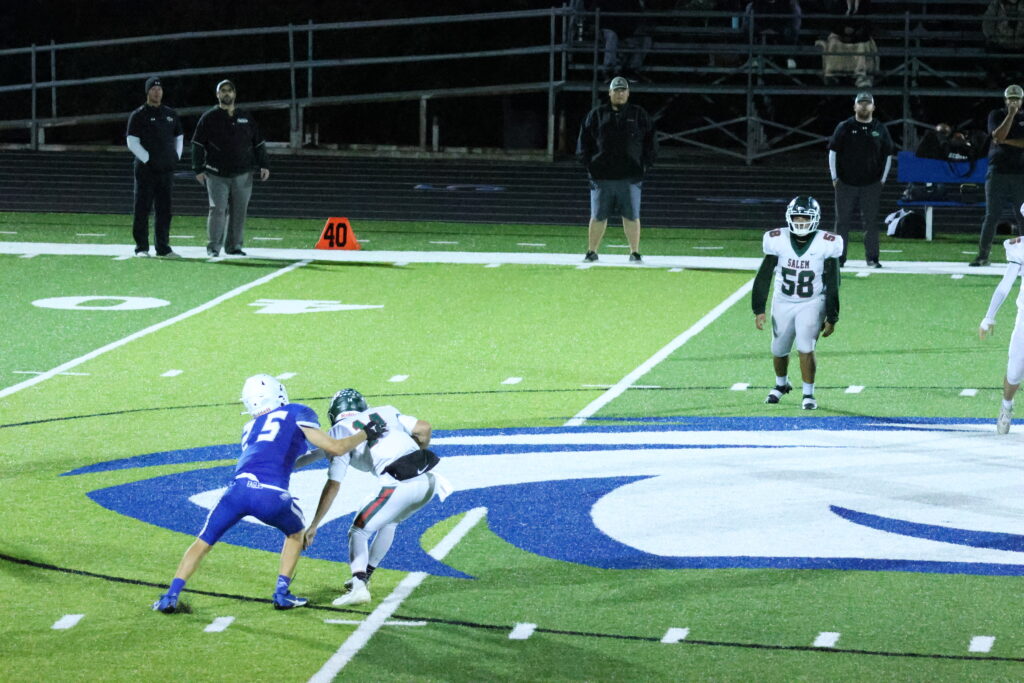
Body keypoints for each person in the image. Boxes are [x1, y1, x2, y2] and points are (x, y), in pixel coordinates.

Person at [151, 375, 383, 614]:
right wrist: (366, 432)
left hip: (237, 490)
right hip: (271, 495)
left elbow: (277, 459)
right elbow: (337, 447)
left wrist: (317, 454)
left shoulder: (249, 428)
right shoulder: (297, 411)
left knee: (203, 541)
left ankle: (170, 596)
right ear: (277, 393)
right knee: (296, 533)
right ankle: (282, 593)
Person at [302, 388, 451, 607]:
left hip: (398, 484)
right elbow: (423, 428)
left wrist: (314, 524)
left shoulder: (338, 431)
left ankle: (359, 587)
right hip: (430, 481)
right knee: (389, 522)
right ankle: (365, 576)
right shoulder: (384, 412)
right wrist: (414, 452)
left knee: (358, 531)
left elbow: (333, 484)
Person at [752, 196, 842, 410]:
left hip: (812, 301)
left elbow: (833, 282)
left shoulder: (827, 242)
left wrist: (832, 316)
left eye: (805, 218)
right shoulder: (777, 239)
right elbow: (764, 274)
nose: (800, 222)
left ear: (815, 218)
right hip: (782, 301)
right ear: (789, 218)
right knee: (778, 348)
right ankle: (781, 384)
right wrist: (758, 308)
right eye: (797, 217)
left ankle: (808, 394)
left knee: (805, 347)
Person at [576, 76, 657, 264]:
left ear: (628, 93)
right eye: (616, 90)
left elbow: (651, 141)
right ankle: (591, 251)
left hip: (630, 175)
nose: (620, 94)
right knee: (598, 215)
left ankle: (634, 252)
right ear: (610, 92)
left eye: (623, 90)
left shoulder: (639, 114)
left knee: (631, 215)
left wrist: (645, 164)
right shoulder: (596, 115)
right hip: (601, 175)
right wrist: (589, 164)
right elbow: (584, 141)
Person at [191, 79, 270, 258]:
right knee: (217, 210)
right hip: (216, 173)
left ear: (234, 94)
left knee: (239, 211)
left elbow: (258, 142)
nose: (226, 93)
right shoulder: (209, 117)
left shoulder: (245, 117)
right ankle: (213, 247)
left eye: (229, 90)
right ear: (217, 94)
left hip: (243, 173)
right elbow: (197, 144)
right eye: (223, 90)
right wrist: (198, 168)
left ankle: (234, 246)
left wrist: (264, 164)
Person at [828, 92, 893, 268]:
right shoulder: (844, 126)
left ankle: (872, 258)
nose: (864, 106)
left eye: (867, 103)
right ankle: (839, 258)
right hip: (845, 182)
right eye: (861, 103)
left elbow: (888, 155)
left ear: (873, 107)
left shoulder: (880, 128)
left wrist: (882, 179)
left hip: (871, 183)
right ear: (854, 106)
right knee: (842, 222)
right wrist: (834, 177)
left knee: (871, 222)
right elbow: (833, 152)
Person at [126, 76, 183, 259]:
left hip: (166, 170)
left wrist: (176, 156)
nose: (157, 92)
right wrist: (148, 159)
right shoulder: (138, 115)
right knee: (142, 208)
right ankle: (141, 247)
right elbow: (131, 141)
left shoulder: (170, 114)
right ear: (147, 92)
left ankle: (163, 247)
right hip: (146, 170)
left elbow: (179, 136)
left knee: (165, 210)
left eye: (159, 89)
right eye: (153, 89)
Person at [970, 85, 1024, 267]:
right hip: (997, 172)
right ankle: (982, 256)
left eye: (1017, 99)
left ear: (1022, 100)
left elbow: (1002, 139)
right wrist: (1010, 115)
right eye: (1011, 99)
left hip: (1020, 173)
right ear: (1005, 100)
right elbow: (998, 134)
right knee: (992, 215)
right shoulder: (996, 115)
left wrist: (1005, 141)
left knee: (1022, 215)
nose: (1013, 102)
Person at [979, 230, 1024, 433]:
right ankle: (1006, 405)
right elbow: (1006, 284)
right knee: (1014, 372)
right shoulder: (1020, 247)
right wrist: (989, 316)